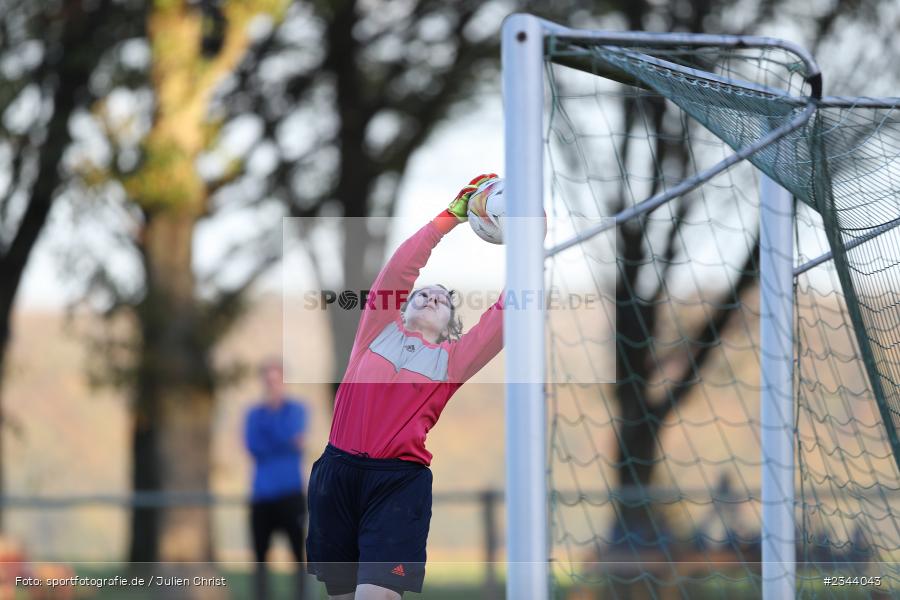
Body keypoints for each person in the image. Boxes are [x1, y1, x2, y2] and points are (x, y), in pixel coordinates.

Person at [306, 174, 505, 599]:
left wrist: (529, 252)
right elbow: (399, 271)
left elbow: (503, 318)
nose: (431, 298)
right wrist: (446, 220)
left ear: (450, 326)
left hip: (396, 486)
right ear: (403, 306)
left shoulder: (451, 361)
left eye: (442, 300)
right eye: (422, 295)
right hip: (335, 476)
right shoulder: (376, 331)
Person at [245, 358, 310, 600]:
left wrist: (272, 434)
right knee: (260, 558)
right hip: (262, 496)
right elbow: (254, 446)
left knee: (297, 555)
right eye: (268, 380)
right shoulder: (253, 414)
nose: (272, 385)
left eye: (277, 380)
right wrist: (285, 440)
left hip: (291, 494)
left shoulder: (298, 410)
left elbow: (295, 439)